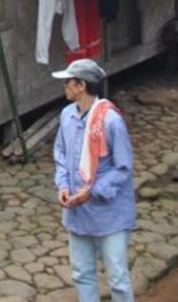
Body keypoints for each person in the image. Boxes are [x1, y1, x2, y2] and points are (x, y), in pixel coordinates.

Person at [52, 58, 136, 302]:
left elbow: (123, 167)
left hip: (109, 213)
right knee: (81, 273)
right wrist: (64, 185)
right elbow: (60, 154)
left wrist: (93, 191)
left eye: (68, 82)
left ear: (81, 86)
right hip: (78, 213)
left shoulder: (111, 121)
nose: (64, 87)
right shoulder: (67, 116)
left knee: (118, 278)